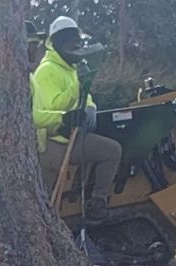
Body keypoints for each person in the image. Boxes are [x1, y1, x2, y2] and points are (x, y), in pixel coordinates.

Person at [31, 16, 122, 218]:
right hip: (54, 142)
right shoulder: (47, 71)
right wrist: (77, 87)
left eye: (79, 41)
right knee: (111, 151)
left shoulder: (72, 69)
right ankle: (92, 206)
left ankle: (97, 199)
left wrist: (90, 108)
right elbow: (51, 107)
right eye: (74, 43)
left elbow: (85, 96)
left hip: (72, 136)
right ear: (60, 44)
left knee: (111, 149)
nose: (79, 47)